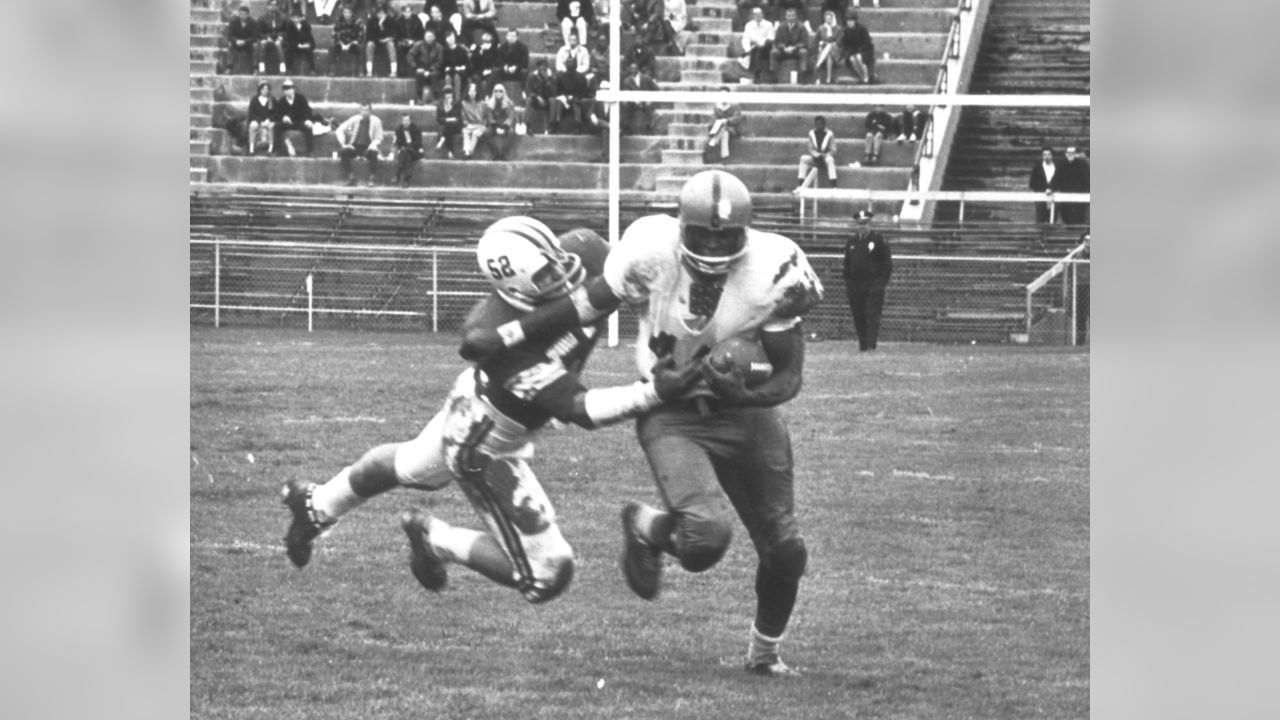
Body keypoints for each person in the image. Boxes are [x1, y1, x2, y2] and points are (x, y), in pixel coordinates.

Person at [459, 170, 824, 677]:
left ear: (746, 231)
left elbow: (789, 376)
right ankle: (645, 526)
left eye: (727, 235)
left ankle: (764, 655)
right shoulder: (650, 247)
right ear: (680, 226)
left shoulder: (777, 267)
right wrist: (508, 335)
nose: (715, 245)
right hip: (670, 410)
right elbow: (585, 305)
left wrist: (748, 392)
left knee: (786, 547)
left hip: (745, 412)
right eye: (704, 233)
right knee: (704, 541)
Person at [280, 220, 703, 604]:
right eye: (546, 276)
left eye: (557, 261)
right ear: (516, 290)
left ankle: (315, 504)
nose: (562, 275)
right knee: (547, 574)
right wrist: (651, 393)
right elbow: (578, 409)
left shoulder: (585, 250)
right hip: (488, 441)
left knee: (408, 466)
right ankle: (436, 540)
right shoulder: (493, 340)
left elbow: (637, 279)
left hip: (476, 404)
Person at [841, 209, 892, 351]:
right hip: (855, 286)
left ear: (870, 224)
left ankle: (871, 345)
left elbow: (886, 264)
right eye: (860, 224)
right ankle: (862, 345)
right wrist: (849, 283)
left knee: (871, 315)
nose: (862, 226)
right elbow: (847, 263)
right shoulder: (852, 242)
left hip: (873, 285)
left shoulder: (878, 240)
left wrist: (880, 284)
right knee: (858, 315)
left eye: (865, 223)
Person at [335, 101, 385, 186]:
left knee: (374, 153)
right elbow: (339, 130)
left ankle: (371, 178)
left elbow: (379, 137)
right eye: (363, 110)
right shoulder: (354, 119)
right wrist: (344, 144)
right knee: (343, 152)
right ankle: (351, 177)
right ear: (360, 111)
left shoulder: (376, 121)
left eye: (366, 110)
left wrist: (373, 144)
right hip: (355, 147)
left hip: (368, 147)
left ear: (370, 111)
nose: (365, 112)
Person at [272, 78, 315, 156]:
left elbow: (308, 110)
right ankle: (277, 150)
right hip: (288, 123)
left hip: (299, 122)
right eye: (285, 90)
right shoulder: (281, 101)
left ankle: (310, 151)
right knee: (277, 126)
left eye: (289, 89)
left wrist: (307, 120)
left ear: (293, 89)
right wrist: (283, 117)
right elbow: (277, 113)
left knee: (308, 128)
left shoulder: (301, 98)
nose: (287, 91)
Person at [769, 7, 809, 84]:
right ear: (785, 16)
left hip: (796, 51)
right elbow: (777, 42)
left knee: (804, 52)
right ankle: (773, 77)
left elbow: (804, 42)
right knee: (773, 52)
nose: (790, 18)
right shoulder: (781, 26)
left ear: (796, 16)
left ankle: (803, 77)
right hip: (783, 51)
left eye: (792, 16)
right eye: (788, 16)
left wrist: (794, 47)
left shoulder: (801, 27)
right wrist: (784, 47)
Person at [704, 87, 743, 162]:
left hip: (733, 129)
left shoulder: (735, 106)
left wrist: (727, 121)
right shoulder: (716, 107)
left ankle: (712, 143)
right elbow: (713, 120)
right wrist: (718, 123)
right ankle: (724, 156)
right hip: (721, 130)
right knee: (724, 133)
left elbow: (737, 118)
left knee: (725, 129)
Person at [797, 115, 837, 187]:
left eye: (820, 124)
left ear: (824, 124)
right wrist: (816, 155)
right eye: (817, 124)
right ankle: (800, 184)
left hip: (825, 158)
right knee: (803, 158)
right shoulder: (811, 133)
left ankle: (834, 185)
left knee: (830, 160)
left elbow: (833, 150)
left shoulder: (830, 134)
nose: (818, 126)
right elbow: (810, 148)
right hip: (815, 158)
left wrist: (824, 155)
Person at [620, 61, 658, 135]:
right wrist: (634, 100)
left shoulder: (646, 78)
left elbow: (656, 90)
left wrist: (650, 99)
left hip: (645, 102)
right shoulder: (626, 81)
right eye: (631, 68)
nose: (633, 70)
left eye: (635, 68)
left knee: (648, 105)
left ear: (638, 69)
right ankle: (626, 127)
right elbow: (626, 93)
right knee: (624, 104)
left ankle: (649, 127)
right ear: (629, 69)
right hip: (633, 103)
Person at [408, 27, 445, 104]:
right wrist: (416, 67)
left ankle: (436, 97)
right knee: (419, 74)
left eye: (431, 36)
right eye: (427, 36)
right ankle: (419, 98)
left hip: (434, 70)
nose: (429, 38)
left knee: (434, 75)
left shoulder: (439, 47)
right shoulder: (418, 45)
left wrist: (430, 70)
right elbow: (410, 56)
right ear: (424, 36)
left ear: (434, 37)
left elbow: (440, 61)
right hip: (420, 68)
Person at [365, 3, 401, 77]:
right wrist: (379, 25)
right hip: (375, 41)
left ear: (385, 14)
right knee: (369, 45)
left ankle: (393, 71)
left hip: (387, 42)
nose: (380, 15)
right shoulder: (372, 21)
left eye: (382, 13)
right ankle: (369, 71)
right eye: (379, 13)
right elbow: (369, 36)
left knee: (391, 45)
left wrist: (382, 27)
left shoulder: (390, 20)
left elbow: (393, 34)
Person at [838, 12, 874, 84]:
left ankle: (866, 77)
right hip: (852, 51)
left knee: (859, 58)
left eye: (851, 21)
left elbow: (867, 42)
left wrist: (860, 50)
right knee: (852, 59)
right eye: (848, 21)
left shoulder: (862, 29)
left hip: (865, 50)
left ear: (854, 21)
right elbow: (844, 44)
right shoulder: (845, 31)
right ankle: (863, 77)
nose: (849, 23)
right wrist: (846, 52)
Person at [255, 0, 289, 75]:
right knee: (263, 44)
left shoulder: (283, 18)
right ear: (267, 6)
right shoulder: (262, 18)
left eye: (275, 5)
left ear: (278, 6)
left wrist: (281, 36)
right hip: (267, 38)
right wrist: (266, 37)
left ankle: (282, 67)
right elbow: (258, 32)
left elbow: (287, 31)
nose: (273, 7)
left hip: (279, 39)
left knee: (278, 44)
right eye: (271, 5)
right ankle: (261, 67)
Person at [523, 59, 556, 135]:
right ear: (537, 69)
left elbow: (554, 93)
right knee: (529, 100)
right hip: (536, 101)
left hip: (547, 101)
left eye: (544, 69)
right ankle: (528, 125)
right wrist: (537, 97)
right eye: (540, 69)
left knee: (552, 100)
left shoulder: (551, 78)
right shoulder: (532, 77)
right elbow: (528, 91)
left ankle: (551, 126)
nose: (542, 71)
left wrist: (547, 81)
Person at [1059, 146, 1090, 225]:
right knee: (1066, 214)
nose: (1070, 155)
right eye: (1068, 153)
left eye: (1072, 153)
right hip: (1066, 193)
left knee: (1080, 214)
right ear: (1066, 154)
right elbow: (1056, 178)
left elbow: (1086, 179)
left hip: (1081, 193)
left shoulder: (1083, 165)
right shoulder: (1061, 164)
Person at [1029, 146, 1060, 224]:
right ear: (1042, 156)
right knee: (1040, 218)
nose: (1047, 157)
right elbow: (1032, 183)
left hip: (1054, 195)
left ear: (1052, 155)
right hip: (1040, 195)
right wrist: (1044, 190)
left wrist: (1052, 189)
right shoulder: (1037, 167)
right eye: (1044, 155)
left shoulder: (1057, 167)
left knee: (1052, 217)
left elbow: (1060, 180)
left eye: (1049, 154)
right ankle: (1040, 233)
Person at [330, 5, 364, 77]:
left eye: (348, 12)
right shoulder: (338, 20)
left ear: (352, 13)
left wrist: (351, 43)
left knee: (359, 49)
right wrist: (341, 43)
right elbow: (334, 33)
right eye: (345, 12)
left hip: (352, 43)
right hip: (341, 43)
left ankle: (360, 71)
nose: (346, 14)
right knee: (333, 48)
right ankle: (332, 71)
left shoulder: (358, 22)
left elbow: (360, 36)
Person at [392, 112, 424, 186]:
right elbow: (398, 143)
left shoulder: (416, 129)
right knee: (407, 155)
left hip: (416, 151)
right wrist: (403, 148)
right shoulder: (399, 130)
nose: (405, 122)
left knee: (406, 151)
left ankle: (397, 174)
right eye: (404, 120)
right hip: (405, 153)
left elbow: (418, 143)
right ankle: (406, 180)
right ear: (401, 121)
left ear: (410, 121)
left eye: (407, 120)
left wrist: (407, 147)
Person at [225, 5, 259, 74]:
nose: (243, 16)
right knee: (230, 45)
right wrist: (236, 41)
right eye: (241, 14)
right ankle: (229, 67)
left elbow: (255, 36)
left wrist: (245, 41)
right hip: (237, 43)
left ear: (248, 14)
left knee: (255, 46)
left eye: (245, 14)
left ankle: (255, 68)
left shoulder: (253, 23)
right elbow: (230, 35)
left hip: (248, 44)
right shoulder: (233, 22)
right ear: (239, 14)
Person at [460, 81, 491, 158]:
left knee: (475, 133)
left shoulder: (482, 103)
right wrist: (467, 124)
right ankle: (466, 151)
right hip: (470, 125)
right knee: (465, 131)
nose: (472, 93)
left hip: (481, 126)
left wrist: (482, 125)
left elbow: (487, 118)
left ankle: (470, 151)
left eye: (474, 91)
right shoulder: (464, 103)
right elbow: (463, 117)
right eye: (470, 91)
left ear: (477, 92)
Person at [487, 84, 517, 160]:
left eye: (500, 91)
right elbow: (490, 117)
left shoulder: (509, 103)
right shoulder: (490, 103)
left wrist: (504, 126)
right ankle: (496, 154)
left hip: (506, 125)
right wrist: (495, 126)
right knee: (487, 133)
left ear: (504, 92)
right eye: (496, 91)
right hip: (495, 125)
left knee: (511, 132)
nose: (498, 93)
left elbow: (511, 117)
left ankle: (503, 154)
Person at [395, 2, 426, 75]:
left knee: (416, 46)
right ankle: (401, 71)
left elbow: (421, 34)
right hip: (403, 41)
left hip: (415, 40)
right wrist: (403, 41)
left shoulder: (417, 20)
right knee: (399, 46)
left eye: (409, 11)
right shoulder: (398, 21)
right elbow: (396, 35)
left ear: (411, 12)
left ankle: (414, 69)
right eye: (405, 12)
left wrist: (413, 41)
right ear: (403, 12)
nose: (407, 13)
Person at [246, 81, 276, 155]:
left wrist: (269, 119)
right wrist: (259, 121)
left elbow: (276, 112)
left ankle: (270, 148)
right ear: (259, 90)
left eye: (267, 89)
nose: (265, 91)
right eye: (263, 89)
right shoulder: (254, 99)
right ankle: (251, 148)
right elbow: (251, 113)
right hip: (257, 120)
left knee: (271, 126)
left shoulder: (271, 99)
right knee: (253, 125)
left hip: (268, 120)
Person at [284, 9, 317, 75]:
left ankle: (312, 69)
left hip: (304, 45)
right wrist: (298, 45)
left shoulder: (306, 26)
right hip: (294, 45)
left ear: (301, 18)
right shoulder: (289, 26)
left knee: (309, 52)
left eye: (298, 18)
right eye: (294, 18)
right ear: (291, 18)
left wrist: (308, 45)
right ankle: (289, 69)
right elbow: (289, 39)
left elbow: (310, 38)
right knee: (289, 51)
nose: (296, 20)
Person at [813, 10, 842, 84]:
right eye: (826, 19)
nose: (828, 20)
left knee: (830, 46)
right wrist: (819, 45)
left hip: (835, 51)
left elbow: (838, 42)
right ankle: (828, 78)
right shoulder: (821, 28)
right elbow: (816, 40)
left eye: (829, 18)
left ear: (833, 19)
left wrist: (826, 43)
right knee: (829, 55)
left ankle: (818, 64)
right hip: (823, 50)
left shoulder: (838, 28)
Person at [470, 31, 501, 95]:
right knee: (475, 77)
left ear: (491, 42)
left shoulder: (495, 50)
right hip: (481, 72)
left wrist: (489, 70)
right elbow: (475, 63)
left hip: (491, 71)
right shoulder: (479, 50)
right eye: (483, 41)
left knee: (493, 75)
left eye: (487, 42)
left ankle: (487, 95)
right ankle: (481, 96)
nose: (485, 43)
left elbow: (496, 63)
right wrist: (479, 53)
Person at [436, 86, 464, 157]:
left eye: (450, 93)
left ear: (452, 94)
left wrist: (450, 108)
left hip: (456, 125)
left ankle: (442, 138)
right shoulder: (440, 104)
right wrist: (447, 119)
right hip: (446, 125)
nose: (448, 95)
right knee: (448, 127)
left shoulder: (457, 102)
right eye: (446, 93)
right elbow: (438, 118)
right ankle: (450, 151)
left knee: (449, 126)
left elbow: (459, 117)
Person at [587, 80, 610, 161]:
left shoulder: (614, 101)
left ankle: (605, 156)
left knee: (605, 131)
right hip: (599, 125)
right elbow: (591, 112)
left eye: (607, 89)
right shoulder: (596, 100)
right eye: (603, 89)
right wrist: (593, 117)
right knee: (602, 125)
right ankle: (609, 126)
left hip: (610, 127)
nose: (604, 91)